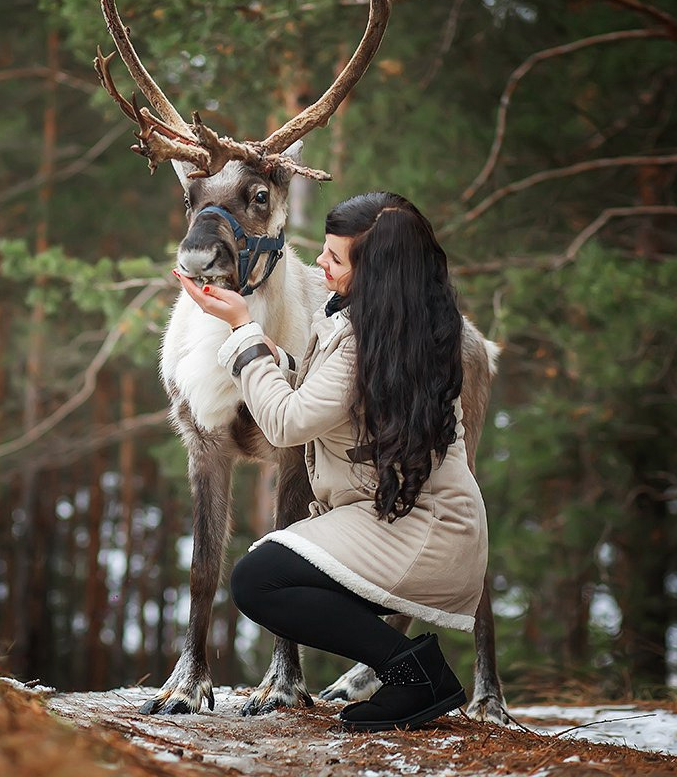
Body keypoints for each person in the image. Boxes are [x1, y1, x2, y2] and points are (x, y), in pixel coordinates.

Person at [173, 191, 488, 732]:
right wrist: (277, 358)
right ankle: (404, 668)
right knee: (278, 567)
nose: (317, 263)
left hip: (420, 534)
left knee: (258, 581)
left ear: (374, 272)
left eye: (334, 258)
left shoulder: (360, 340)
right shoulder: (395, 324)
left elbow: (288, 423)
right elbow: (332, 393)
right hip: (409, 519)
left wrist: (244, 331)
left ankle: (414, 672)